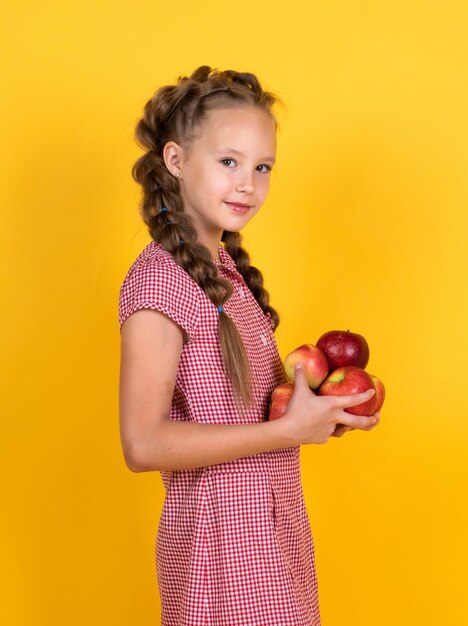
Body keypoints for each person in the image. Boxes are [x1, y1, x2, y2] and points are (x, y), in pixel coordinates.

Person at [118, 65, 380, 626]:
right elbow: (142, 443)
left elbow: (246, 412)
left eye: (262, 168)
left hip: (272, 543)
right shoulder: (160, 281)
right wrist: (285, 430)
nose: (248, 183)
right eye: (229, 161)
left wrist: (316, 413)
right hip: (220, 556)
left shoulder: (228, 272)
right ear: (176, 161)